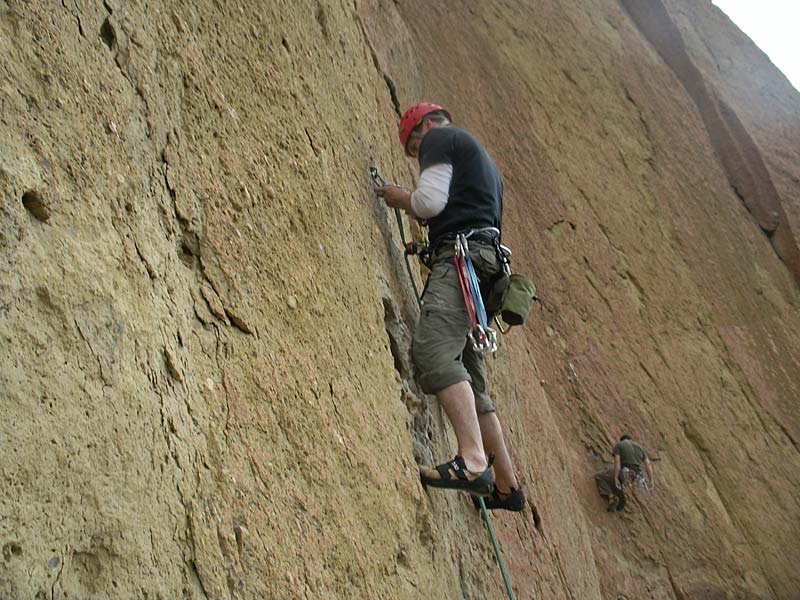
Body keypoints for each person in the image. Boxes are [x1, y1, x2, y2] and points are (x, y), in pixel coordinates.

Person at [375, 102, 524, 512]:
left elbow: (429, 203)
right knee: (472, 380)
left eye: (412, 148)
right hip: (485, 267)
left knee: (434, 349)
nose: (416, 155)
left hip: (462, 262)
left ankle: (474, 461)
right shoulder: (483, 164)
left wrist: (400, 197)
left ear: (422, 127)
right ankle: (507, 487)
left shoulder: (441, 138)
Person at [595, 434, 654, 512]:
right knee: (618, 481)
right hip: (635, 477)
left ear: (622, 440)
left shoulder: (620, 445)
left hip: (624, 472)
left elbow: (617, 461)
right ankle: (620, 499)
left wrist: (616, 477)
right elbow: (648, 464)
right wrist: (651, 480)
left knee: (600, 476)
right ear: (631, 440)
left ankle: (611, 496)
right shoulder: (640, 448)